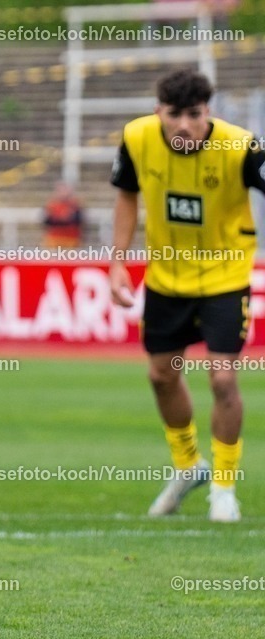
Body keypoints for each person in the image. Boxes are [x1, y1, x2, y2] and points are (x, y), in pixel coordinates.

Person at [109, 67, 265, 522]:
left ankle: (224, 487)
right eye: (173, 114)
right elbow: (126, 196)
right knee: (161, 375)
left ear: (207, 112)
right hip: (166, 279)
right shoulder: (136, 137)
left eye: (193, 115)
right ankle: (188, 465)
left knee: (222, 379)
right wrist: (117, 262)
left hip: (225, 277)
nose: (183, 125)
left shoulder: (241, 146)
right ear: (158, 111)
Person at [42, 181, 84, 249]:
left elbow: (78, 220)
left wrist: (66, 219)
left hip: (71, 239)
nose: (63, 193)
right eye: (60, 190)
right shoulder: (52, 205)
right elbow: (47, 221)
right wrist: (62, 219)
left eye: (65, 190)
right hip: (54, 239)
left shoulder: (74, 204)